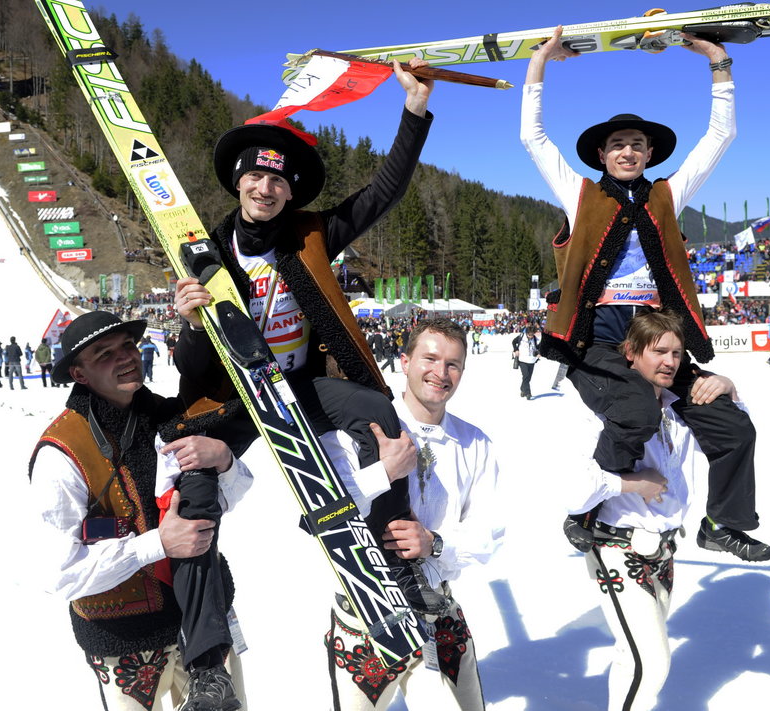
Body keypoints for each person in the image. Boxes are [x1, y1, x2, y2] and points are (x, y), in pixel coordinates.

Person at [174, 59, 448, 614]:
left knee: (376, 410)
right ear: (238, 180)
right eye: (257, 176)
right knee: (195, 478)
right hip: (238, 394)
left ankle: (399, 562)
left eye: (278, 180)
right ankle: (202, 638)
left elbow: (382, 194)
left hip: (300, 385)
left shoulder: (311, 234)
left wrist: (413, 110)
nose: (266, 188)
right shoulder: (205, 252)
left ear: (290, 192)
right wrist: (188, 321)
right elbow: (189, 366)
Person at [522, 26, 770, 562]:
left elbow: (719, 138)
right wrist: (539, 65)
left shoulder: (668, 194)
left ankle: (721, 522)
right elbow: (533, 139)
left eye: (637, 144)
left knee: (732, 424)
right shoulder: (579, 194)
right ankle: (584, 512)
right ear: (601, 155)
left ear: (650, 152)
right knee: (636, 411)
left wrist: (718, 64)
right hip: (597, 338)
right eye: (617, 145)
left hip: (658, 337)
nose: (628, 151)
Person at [29, 311, 253, 711]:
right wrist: (158, 544)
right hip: (122, 638)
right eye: (104, 353)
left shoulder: (170, 416)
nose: (125, 357)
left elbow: (224, 500)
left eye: (128, 346)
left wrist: (224, 460)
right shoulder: (60, 452)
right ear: (79, 374)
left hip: (203, 629)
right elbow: (60, 571)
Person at [321, 318, 503, 711]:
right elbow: (324, 517)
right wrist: (381, 471)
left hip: (438, 611)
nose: (441, 373)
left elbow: (489, 532)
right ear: (404, 361)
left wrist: (435, 543)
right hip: (364, 616)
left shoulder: (474, 443)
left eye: (453, 364)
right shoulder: (356, 429)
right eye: (430, 358)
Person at [566, 310, 741, 711]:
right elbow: (575, 488)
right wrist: (632, 483)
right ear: (629, 353)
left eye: (677, 353)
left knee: (633, 657)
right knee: (652, 663)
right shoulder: (600, 408)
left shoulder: (680, 406)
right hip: (616, 545)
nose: (670, 361)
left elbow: (738, 432)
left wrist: (729, 387)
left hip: (663, 550)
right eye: (659, 351)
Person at [512, 325, 541, 399]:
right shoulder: (521, 336)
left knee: (528, 378)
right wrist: (516, 350)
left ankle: (523, 389)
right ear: (527, 333)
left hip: (532, 360)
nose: (531, 336)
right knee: (526, 376)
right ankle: (528, 393)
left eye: (532, 334)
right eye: (529, 334)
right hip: (522, 360)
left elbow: (538, 348)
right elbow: (514, 342)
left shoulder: (535, 339)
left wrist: (538, 353)